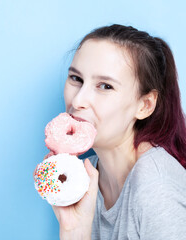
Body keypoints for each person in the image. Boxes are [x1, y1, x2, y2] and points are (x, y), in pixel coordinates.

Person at [51, 24, 186, 240]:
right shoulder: (86, 176)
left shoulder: (157, 190)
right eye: (76, 79)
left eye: (105, 86)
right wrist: (74, 231)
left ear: (145, 105)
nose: (77, 101)